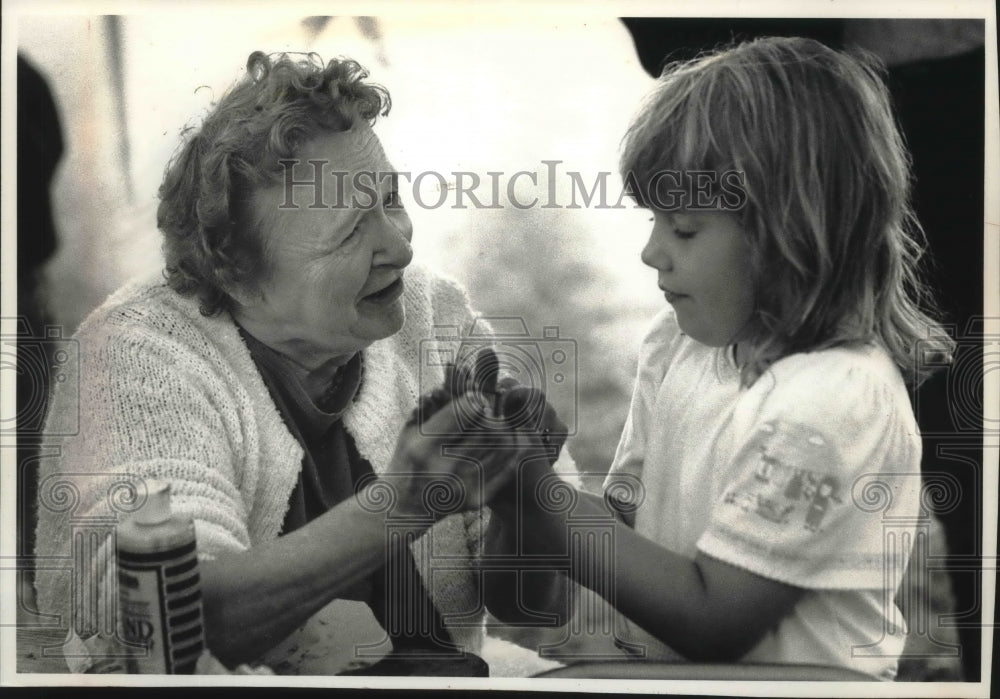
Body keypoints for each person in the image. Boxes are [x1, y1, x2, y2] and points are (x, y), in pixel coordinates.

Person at [33, 51, 537, 676]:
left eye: (390, 198)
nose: (401, 244)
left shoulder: (437, 316)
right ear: (238, 273)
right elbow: (171, 625)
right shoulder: (137, 355)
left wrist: (526, 495)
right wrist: (403, 503)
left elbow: (535, 607)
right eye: (352, 230)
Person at [484, 36, 955, 681]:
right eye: (654, 221)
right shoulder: (678, 345)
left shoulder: (834, 396)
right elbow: (621, 535)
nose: (652, 252)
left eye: (683, 229)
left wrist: (545, 504)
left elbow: (716, 619)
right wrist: (523, 482)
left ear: (786, 232)